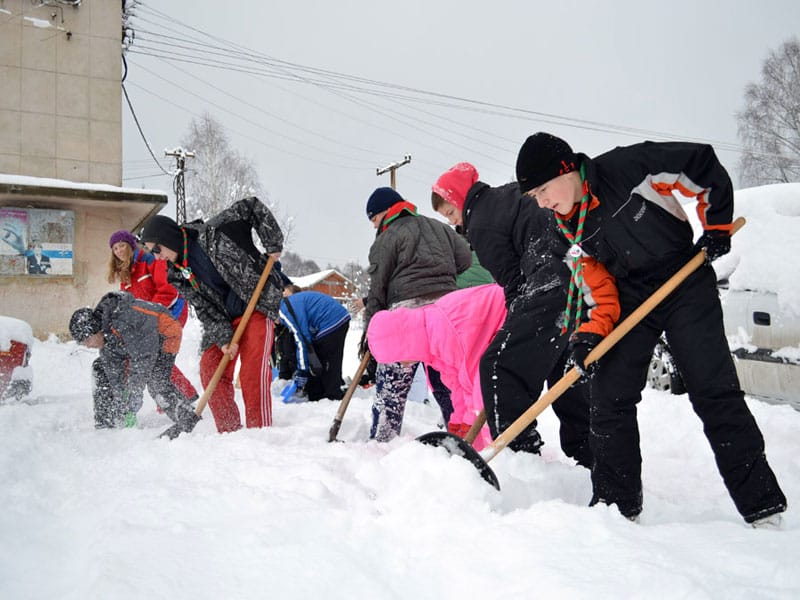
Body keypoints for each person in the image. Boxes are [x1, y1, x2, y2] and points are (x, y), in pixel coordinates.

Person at [515, 132, 787, 526]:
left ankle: (762, 505)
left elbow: (701, 164)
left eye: (542, 189)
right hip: (630, 300)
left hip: (683, 278)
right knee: (608, 399)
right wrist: (589, 334)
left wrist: (716, 227)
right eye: (533, 197)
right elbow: (597, 290)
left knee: (714, 391)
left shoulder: (629, 168)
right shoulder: (565, 229)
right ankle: (617, 507)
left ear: (566, 169)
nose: (541, 201)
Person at [432, 162, 619, 467]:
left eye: (451, 213)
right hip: (573, 276)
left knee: (498, 364)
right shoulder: (505, 196)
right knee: (565, 371)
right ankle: (591, 456)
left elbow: (511, 280)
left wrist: (515, 320)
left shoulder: (479, 221)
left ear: (459, 199)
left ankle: (519, 455)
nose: (455, 223)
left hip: (547, 280)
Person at [140, 197, 284, 434]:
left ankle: (260, 434)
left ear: (167, 237)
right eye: (150, 253)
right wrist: (224, 338)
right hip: (225, 320)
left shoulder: (214, 232)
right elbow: (205, 309)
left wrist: (272, 241)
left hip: (256, 304)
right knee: (210, 369)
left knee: (251, 372)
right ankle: (230, 432)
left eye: (156, 249)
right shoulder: (175, 274)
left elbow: (251, 207)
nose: (156, 257)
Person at [362, 186, 472, 441]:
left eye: (375, 220)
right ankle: (461, 439)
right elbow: (465, 257)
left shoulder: (386, 238)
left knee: (392, 387)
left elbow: (377, 288)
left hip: (407, 316)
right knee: (447, 382)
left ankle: (382, 443)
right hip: (446, 312)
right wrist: (442, 275)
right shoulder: (439, 227)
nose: (375, 226)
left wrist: (371, 333)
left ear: (385, 212)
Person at [367, 284, 509, 451]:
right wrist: (457, 422)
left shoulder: (443, 332)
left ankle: (506, 455)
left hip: (514, 310)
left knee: (489, 393)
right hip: (494, 328)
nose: (402, 364)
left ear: (404, 343)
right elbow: (457, 386)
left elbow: (475, 382)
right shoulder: (431, 347)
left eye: (398, 358)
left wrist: (472, 428)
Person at [68, 291, 199, 437]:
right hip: (144, 343)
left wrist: (135, 393)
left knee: (156, 382)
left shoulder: (122, 319)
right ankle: (107, 423)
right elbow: (115, 374)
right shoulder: (106, 339)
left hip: (165, 332)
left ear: (94, 330)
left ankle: (187, 418)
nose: (87, 346)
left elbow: (143, 358)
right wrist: (122, 401)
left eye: (87, 341)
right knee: (101, 368)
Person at [107, 230, 197, 403]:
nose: (119, 251)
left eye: (122, 246)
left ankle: (182, 397)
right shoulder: (126, 273)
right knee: (153, 357)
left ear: (131, 245)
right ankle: (174, 398)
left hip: (171, 312)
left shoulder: (150, 260)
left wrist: (149, 316)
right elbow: (128, 302)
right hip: (149, 318)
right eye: (115, 248)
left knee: (158, 356)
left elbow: (168, 290)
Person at [278, 286, 351, 402]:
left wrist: (302, 371)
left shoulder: (283, 311)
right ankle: (324, 392)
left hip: (331, 321)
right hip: (337, 318)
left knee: (325, 360)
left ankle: (331, 396)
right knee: (324, 359)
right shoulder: (288, 304)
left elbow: (301, 339)